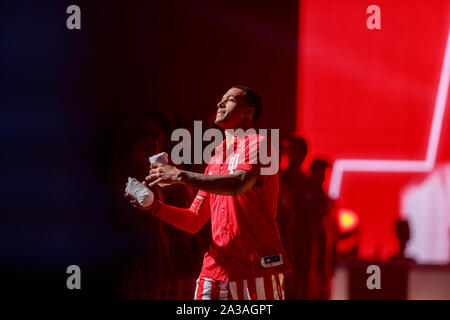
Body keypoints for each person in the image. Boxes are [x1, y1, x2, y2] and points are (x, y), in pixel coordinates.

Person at [125, 85, 291, 300]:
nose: (220, 103)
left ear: (248, 112)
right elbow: (194, 220)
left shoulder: (260, 145)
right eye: (220, 99)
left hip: (257, 266)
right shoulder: (215, 159)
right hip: (215, 268)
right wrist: (154, 206)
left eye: (229, 100)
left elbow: (238, 183)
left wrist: (178, 175)